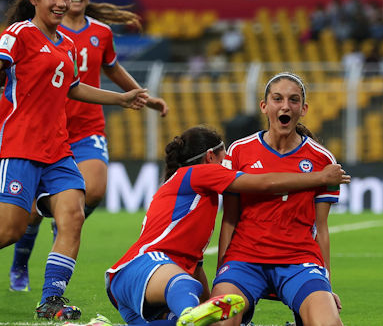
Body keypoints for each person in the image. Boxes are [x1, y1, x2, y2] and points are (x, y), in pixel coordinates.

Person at [0, 0, 148, 320]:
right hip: (17, 146)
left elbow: (74, 88)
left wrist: (121, 99)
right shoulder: (21, 33)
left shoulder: (65, 43)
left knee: (73, 215)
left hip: (58, 149)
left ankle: (51, 300)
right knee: (10, 230)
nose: (62, 2)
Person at [7, 0, 169, 293]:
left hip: (86, 128)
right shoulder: (40, 31)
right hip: (46, 130)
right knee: (32, 214)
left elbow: (113, 68)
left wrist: (143, 96)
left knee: (94, 189)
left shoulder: (101, 33)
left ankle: (65, 219)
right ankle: (21, 262)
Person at [97, 125, 349, 326]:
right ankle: (189, 314)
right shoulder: (199, 173)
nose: (228, 163)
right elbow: (264, 184)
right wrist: (319, 177)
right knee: (188, 288)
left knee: (193, 299)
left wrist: (212, 306)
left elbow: (196, 266)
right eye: (224, 157)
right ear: (210, 157)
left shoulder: (194, 197)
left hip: (144, 287)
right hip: (144, 266)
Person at [210, 72, 344, 326]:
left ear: (303, 109)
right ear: (264, 106)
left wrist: (326, 283)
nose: (285, 106)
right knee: (220, 322)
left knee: (329, 323)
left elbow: (322, 229)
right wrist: (221, 276)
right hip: (244, 260)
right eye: (277, 99)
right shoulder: (239, 151)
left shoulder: (323, 160)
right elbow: (229, 219)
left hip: (299, 261)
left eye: (294, 100)